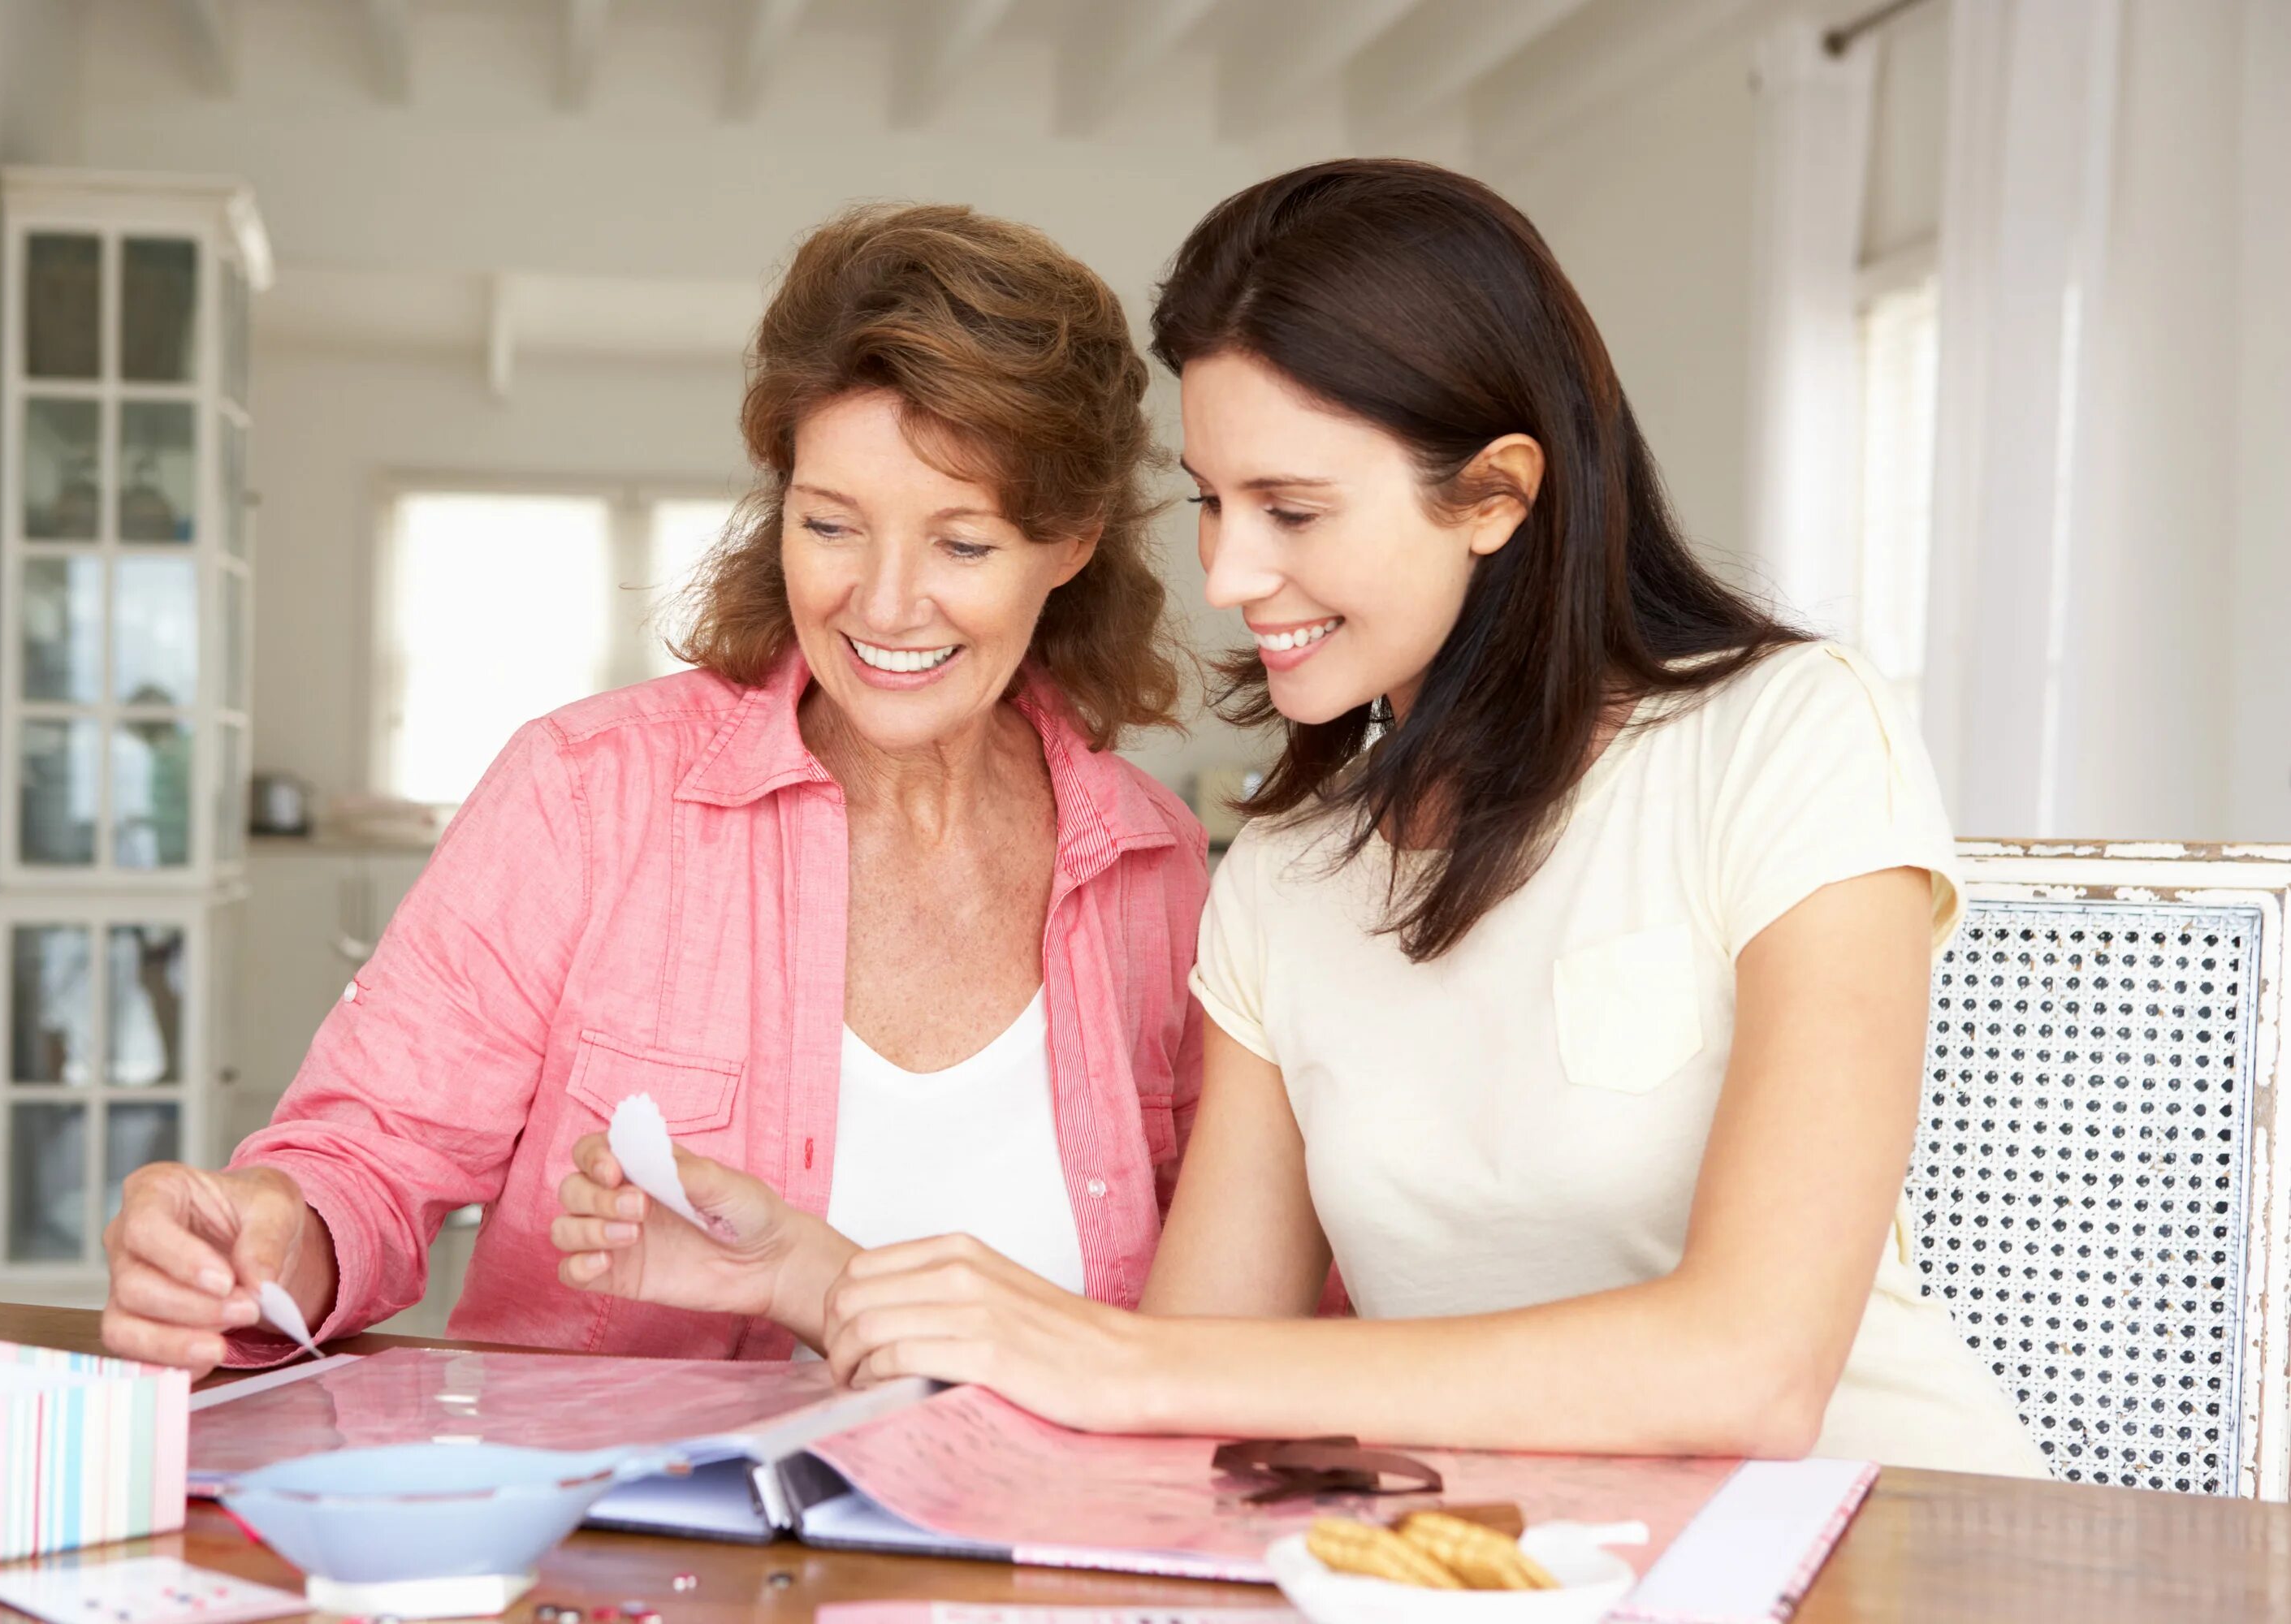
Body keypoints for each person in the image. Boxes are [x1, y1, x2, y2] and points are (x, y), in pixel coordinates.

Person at [622, 159, 2047, 1476]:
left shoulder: (1786, 737)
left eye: (1293, 511)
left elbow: (1752, 1372)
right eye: (1214, 502)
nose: (1233, 573)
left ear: (1494, 495)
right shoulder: (1290, 877)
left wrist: (1142, 1366)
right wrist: (821, 1280)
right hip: (1496, 1569)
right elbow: (1186, 1383)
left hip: (1894, 1538)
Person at [98, 202, 1207, 1375]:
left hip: (1044, 1545)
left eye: (963, 546)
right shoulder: (587, 796)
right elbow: (370, 1157)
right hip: (627, 1550)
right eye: (830, 524)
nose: (883, 606)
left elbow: (1232, 1303)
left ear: (1073, 541)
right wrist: (275, 1235)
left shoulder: (1155, 868)